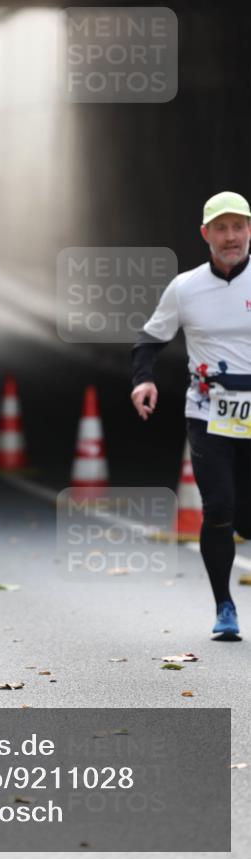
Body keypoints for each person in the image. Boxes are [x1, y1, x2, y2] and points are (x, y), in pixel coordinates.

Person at [131, 191, 251, 639]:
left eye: (238, 226)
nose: (231, 236)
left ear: (249, 231)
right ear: (206, 235)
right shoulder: (186, 287)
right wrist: (143, 379)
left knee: (246, 518)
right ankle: (224, 607)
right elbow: (149, 337)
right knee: (217, 509)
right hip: (209, 415)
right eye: (221, 228)